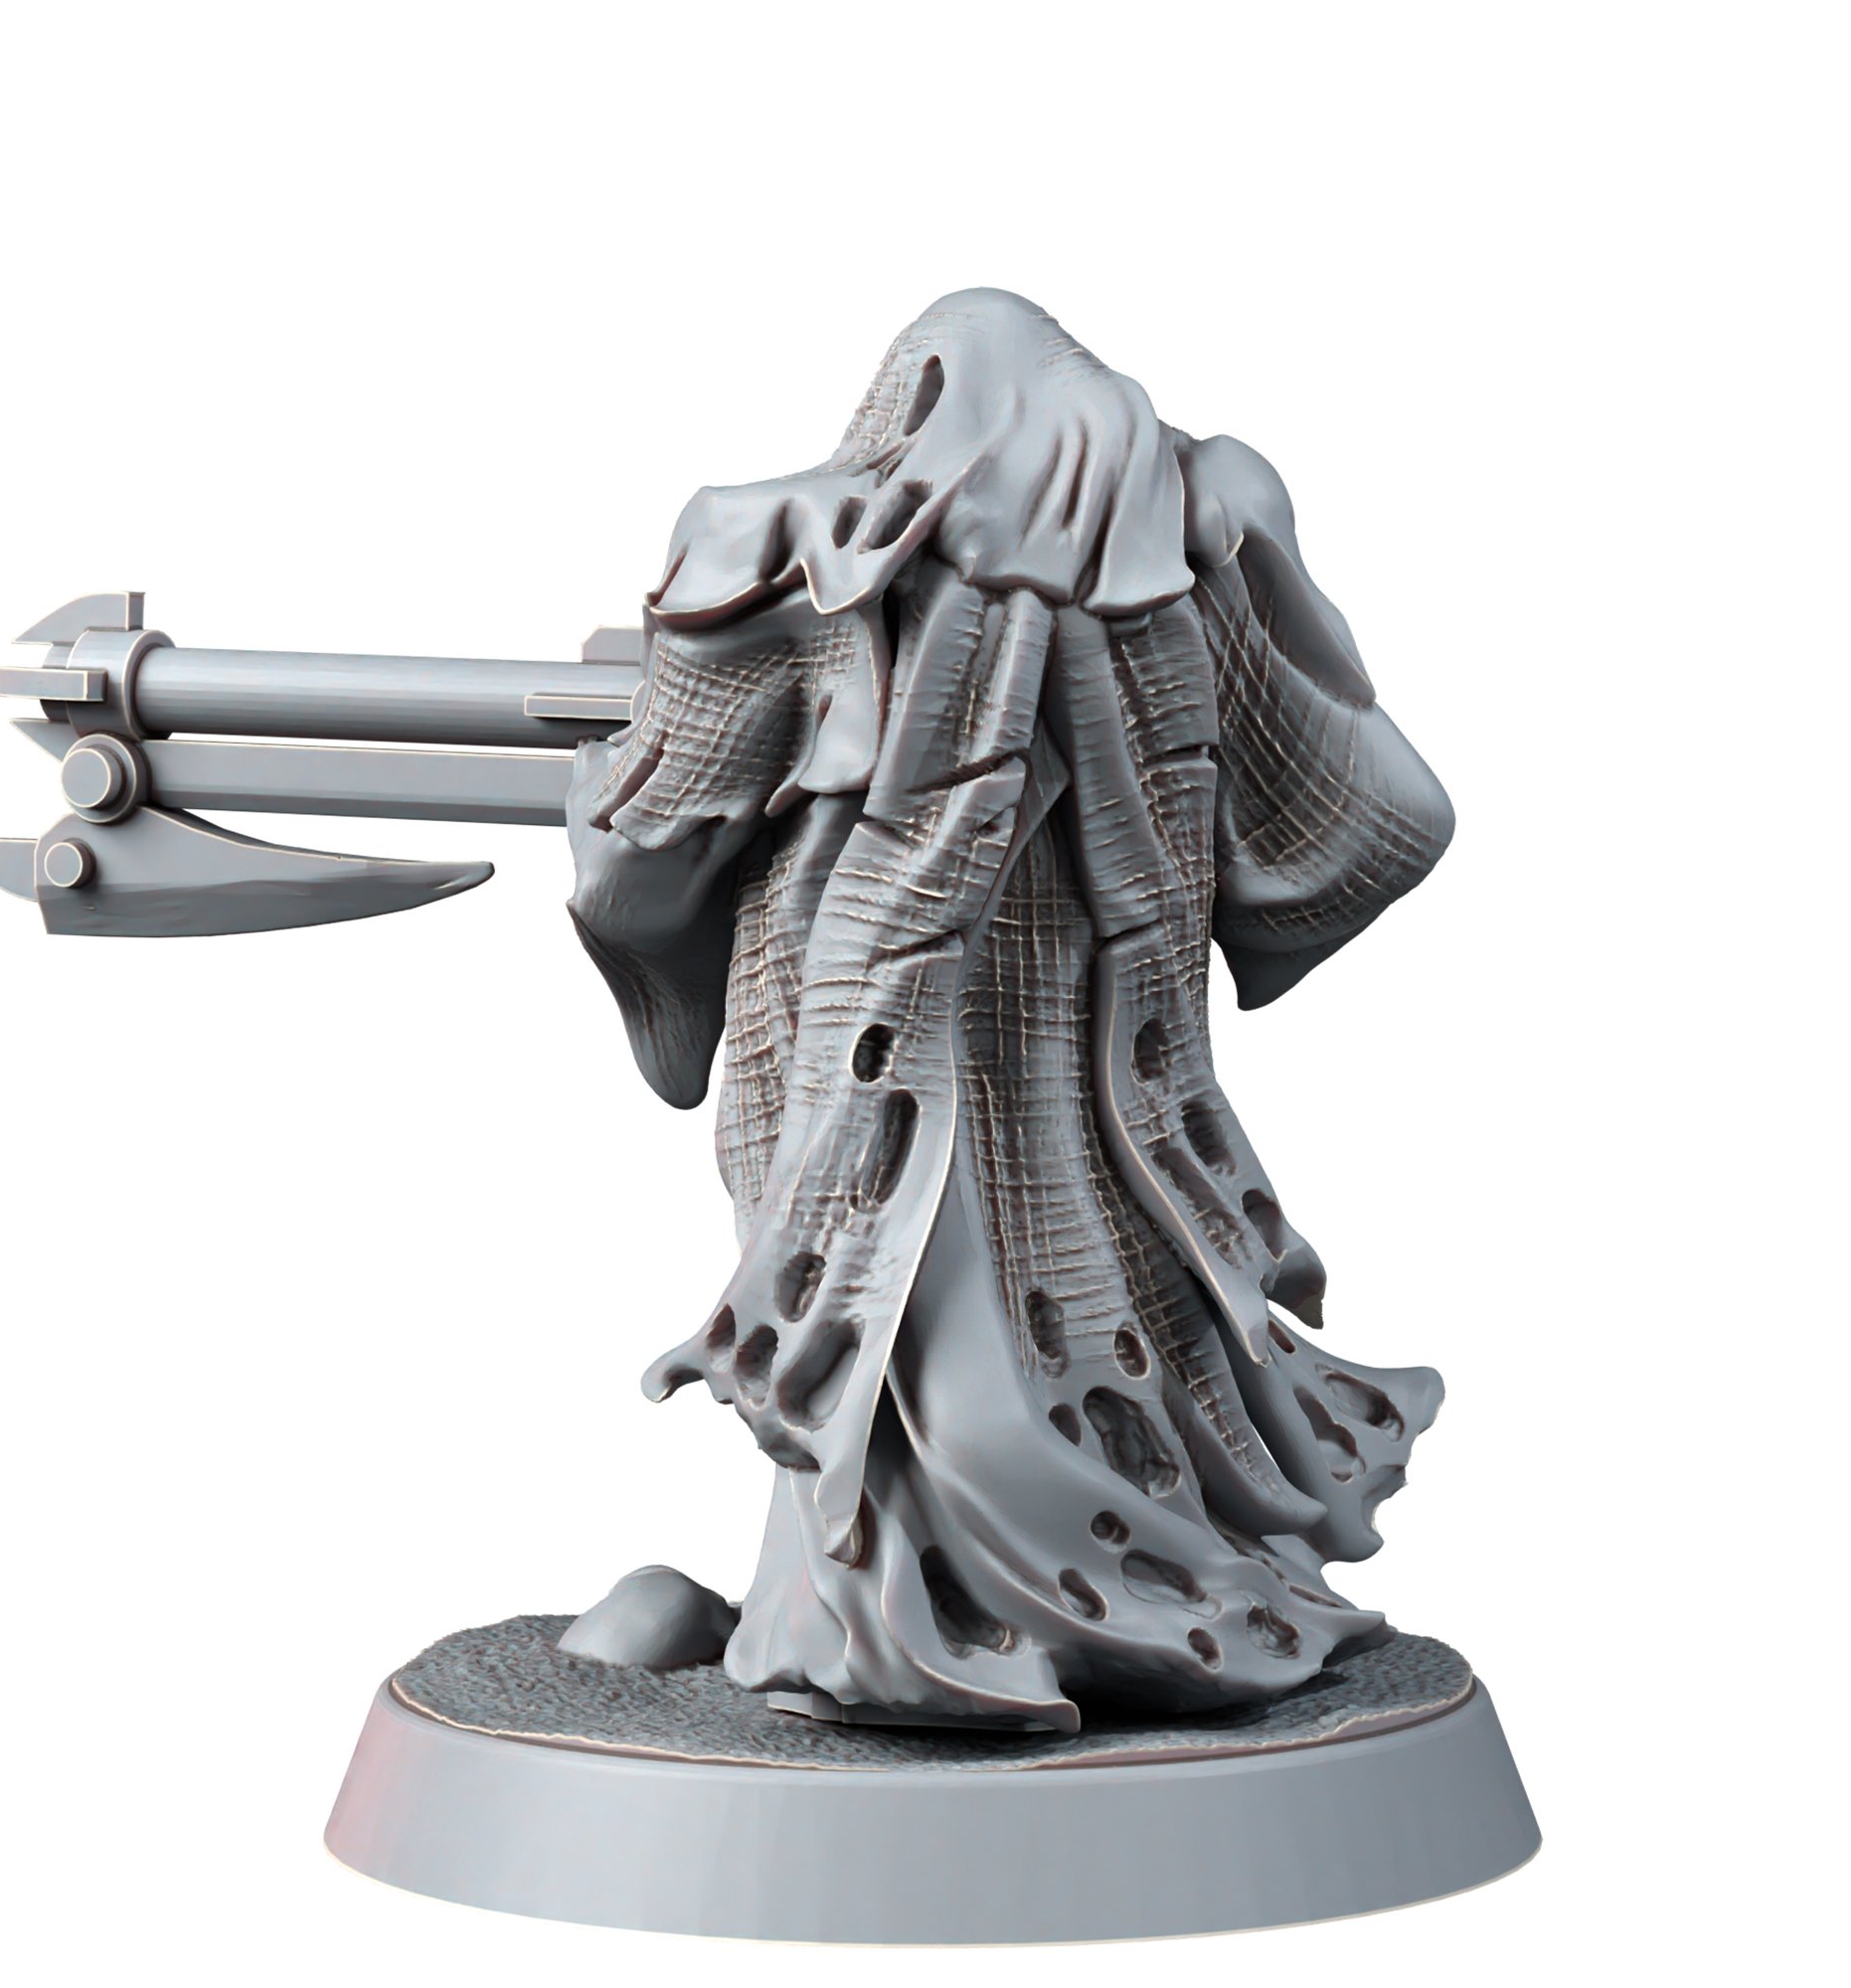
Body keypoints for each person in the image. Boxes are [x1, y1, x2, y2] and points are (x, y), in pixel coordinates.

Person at [566, 288, 1453, 1731]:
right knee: (1019, 1345)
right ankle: (938, 1619)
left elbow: (651, 851)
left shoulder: (779, 547)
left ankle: (893, 1641)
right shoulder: (1195, 539)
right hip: (1116, 1103)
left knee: (893, 1342)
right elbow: (1378, 823)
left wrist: (610, 858)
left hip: (871, 1065)